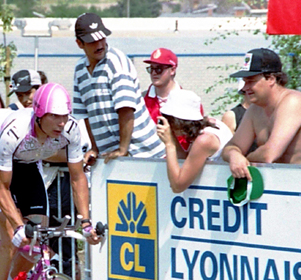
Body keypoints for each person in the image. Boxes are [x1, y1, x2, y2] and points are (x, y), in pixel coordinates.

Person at [0, 83, 100, 280]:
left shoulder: (71, 131)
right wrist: (16, 223)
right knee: (12, 237)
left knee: (38, 236)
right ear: (39, 114)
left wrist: (86, 222)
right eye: (54, 116)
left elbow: (78, 177)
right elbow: (2, 187)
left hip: (28, 166)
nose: (60, 123)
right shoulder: (15, 130)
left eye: (64, 116)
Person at [73, 13, 164, 164]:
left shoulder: (116, 62)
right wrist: (95, 148)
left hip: (145, 154)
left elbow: (126, 109)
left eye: (102, 38)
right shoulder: (79, 69)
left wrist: (123, 149)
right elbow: (86, 115)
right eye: (92, 41)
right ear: (79, 43)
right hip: (113, 157)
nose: (100, 45)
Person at [222, 48, 301, 180]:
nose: (244, 88)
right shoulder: (255, 109)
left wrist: (244, 160)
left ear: (271, 79)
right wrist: (234, 155)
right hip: (275, 188)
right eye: (244, 81)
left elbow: (269, 155)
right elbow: (231, 147)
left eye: (250, 81)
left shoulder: (293, 102)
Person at [156, 89, 233, 193]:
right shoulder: (209, 124)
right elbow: (184, 160)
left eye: (168, 119)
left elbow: (177, 186)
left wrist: (169, 145)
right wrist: (172, 139)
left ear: (179, 120)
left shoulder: (205, 140)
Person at [143, 48, 181, 124]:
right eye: (151, 69)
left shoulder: (187, 100)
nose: (153, 73)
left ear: (172, 70)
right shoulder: (140, 100)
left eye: (158, 69)